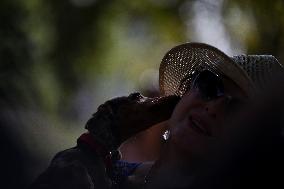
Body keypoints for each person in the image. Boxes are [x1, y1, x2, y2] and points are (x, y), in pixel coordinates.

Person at [30, 43, 284, 189]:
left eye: (236, 109)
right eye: (210, 86)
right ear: (184, 94)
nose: (213, 108)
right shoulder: (108, 169)